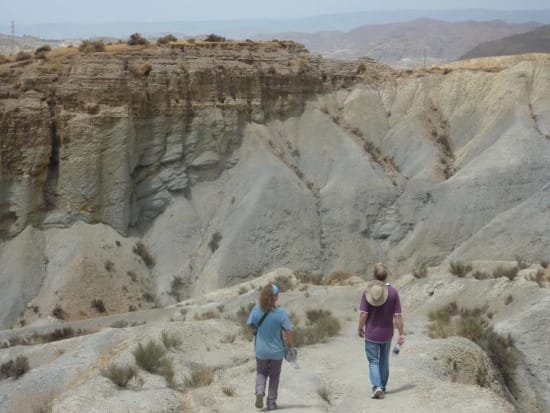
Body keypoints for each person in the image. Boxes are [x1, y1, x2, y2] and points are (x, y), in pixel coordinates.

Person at [357, 263, 405, 399]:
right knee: (384, 361)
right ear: (387, 276)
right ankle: (382, 386)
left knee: (373, 361)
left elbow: (364, 314)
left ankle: (377, 386)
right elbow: (397, 316)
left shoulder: (368, 292)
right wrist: (401, 333)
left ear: (374, 275)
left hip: (371, 333)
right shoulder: (393, 292)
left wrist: (360, 328)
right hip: (387, 334)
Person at [247, 283, 295, 410]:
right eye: (277, 294)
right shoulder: (281, 313)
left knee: (261, 373)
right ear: (275, 297)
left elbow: (250, 324)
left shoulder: (256, 310)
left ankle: (259, 392)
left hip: (261, 351)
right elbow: (289, 331)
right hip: (277, 352)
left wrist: (256, 331)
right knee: (274, 377)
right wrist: (290, 346)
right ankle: (271, 403)